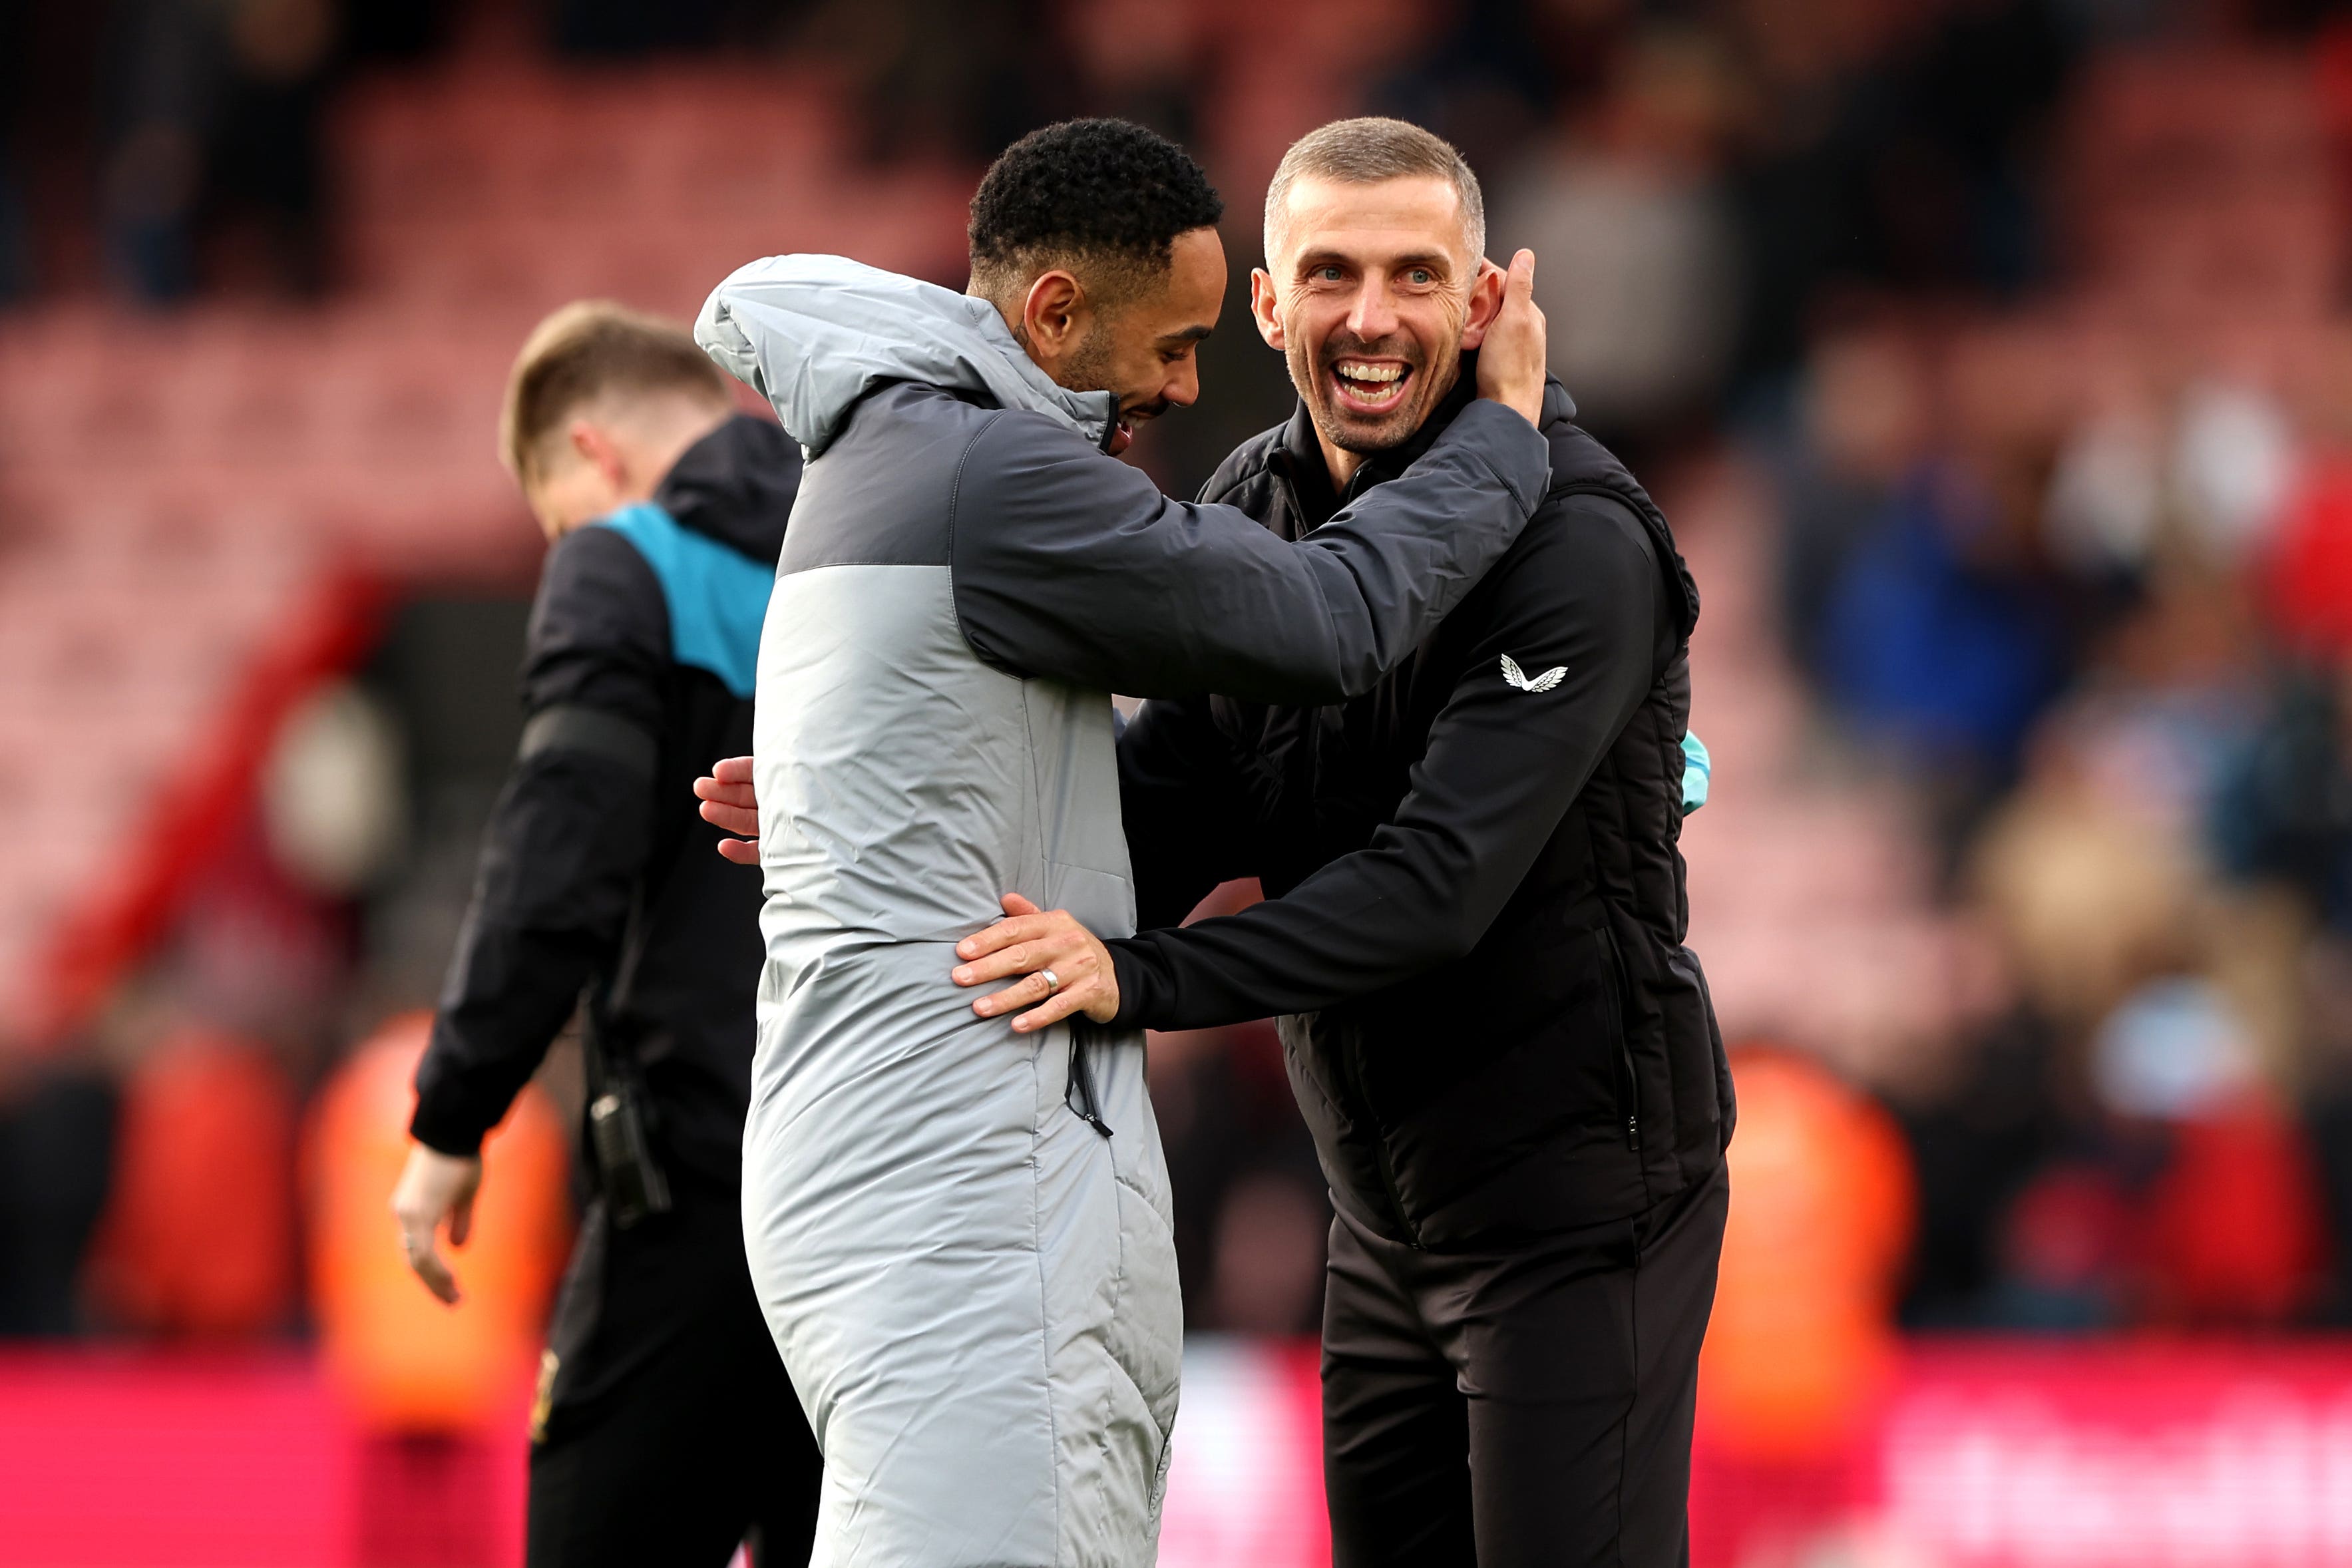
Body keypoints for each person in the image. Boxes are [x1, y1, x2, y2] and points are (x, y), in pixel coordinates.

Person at [706, 117, 1726, 1566]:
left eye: (1415, 276)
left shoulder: (1579, 541)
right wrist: (896, 785)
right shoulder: (1254, 498)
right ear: (1269, 302)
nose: (1368, 318)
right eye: (1329, 274)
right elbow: (1175, 795)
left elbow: (1437, 889)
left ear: (1483, 301)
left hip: (1577, 1209)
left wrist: (1143, 975)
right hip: (1379, 1212)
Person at [389, 301, 821, 1568]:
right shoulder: (869, 550)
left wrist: (452, 1116)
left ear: (596, 454)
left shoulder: (625, 559)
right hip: (884, 1182)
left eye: (558, 521)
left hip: (697, 1181)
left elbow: (555, 866)